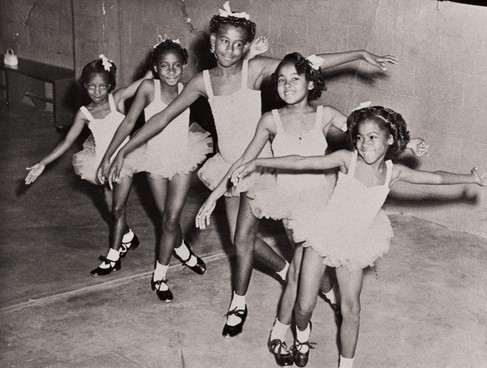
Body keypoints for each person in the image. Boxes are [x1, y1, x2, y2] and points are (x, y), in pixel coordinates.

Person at [105, 1, 397, 338]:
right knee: (241, 239)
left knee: (308, 242)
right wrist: (122, 149)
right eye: (224, 41)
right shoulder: (202, 81)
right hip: (231, 168)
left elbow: (307, 64)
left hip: (267, 168)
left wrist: (360, 53)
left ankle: (323, 287)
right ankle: (241, 300)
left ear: (246, 47)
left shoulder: (254, 70)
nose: (231, 49)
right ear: (212, 42)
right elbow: (162, 117)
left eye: (238, 43)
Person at [195, 52, 428, 366]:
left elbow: (368, 132)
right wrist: (213, 197)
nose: (287, 85)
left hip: (320, 204)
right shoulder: (270, 119)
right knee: (299, 273)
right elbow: (243, 161)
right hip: (286, 200)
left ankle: (287, 328)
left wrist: (406, 142)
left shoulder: (326, 114)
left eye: (295, 78)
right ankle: (293, 323)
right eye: (281, 79)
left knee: (302, 271)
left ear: (310, 81)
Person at [229, 106, 487, 368]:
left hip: (355, 243)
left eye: (373, 137)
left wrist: (471, 178)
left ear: (390, 139)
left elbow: (435, 178)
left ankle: (346, 364)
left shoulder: (393, 172)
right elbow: (300, 161)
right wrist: (258, 162)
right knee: (305, 306)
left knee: (351, 310)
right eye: (360, 137)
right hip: (322, 235)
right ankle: (302, 336)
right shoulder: (347, 159)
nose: (364, 144)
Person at [91, 39, 212, 300]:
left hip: (183, 158)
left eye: (177, 66)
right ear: (155, 68)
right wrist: (109, 156)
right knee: (167, 219)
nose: (171, 71)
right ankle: (183, 250)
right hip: (154, 160)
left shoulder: (189, 88)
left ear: (184, 67)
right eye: (165, 66)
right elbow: (129, 123)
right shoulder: (148, 87)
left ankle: (159, 277)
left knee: (170, 220)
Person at [25, 55, 152, 264]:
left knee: (119, 208)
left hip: (124, 159)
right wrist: (43, 163)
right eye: (91, 87)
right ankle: (128, 237)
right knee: (111, 208)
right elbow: (67, 141)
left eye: (102, 87)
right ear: (85, 87)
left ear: (110, 86)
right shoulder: (85, 113)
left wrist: (153, 62)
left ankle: (113, 257)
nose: (97, 92)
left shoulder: (117, 99)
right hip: (101, 162)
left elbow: (144, 81)